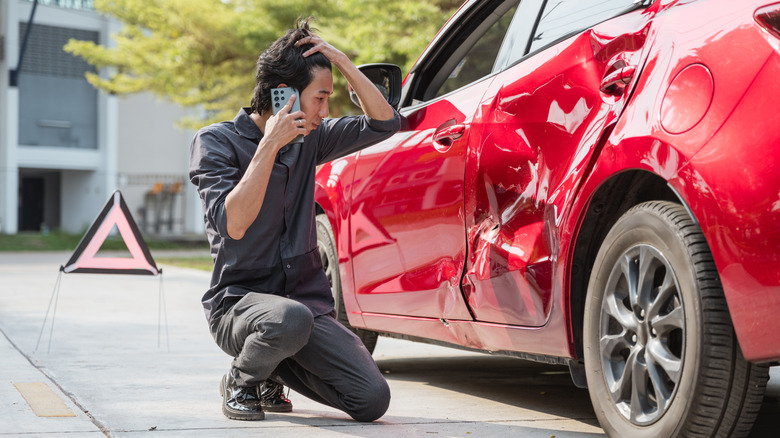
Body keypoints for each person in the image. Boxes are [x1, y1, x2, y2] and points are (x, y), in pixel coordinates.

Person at [189, 18, 400, 422]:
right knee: (289, 318)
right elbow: (234, 224)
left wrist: (343, 63)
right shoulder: (214, 142)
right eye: (320, 98)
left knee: (371, 399)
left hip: (305, 308)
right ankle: (242, 380)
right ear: (282, 93)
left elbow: (385, 122)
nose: (325, 110)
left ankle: (270, 368)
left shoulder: (313, 139)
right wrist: (270, 144)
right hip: (238, 308)